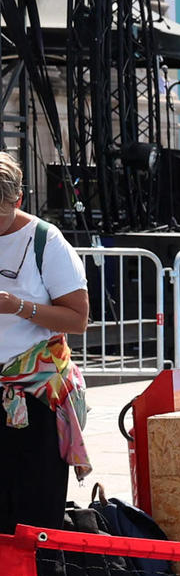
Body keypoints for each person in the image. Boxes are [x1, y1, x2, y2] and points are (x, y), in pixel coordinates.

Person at [0, 153, 88, 532]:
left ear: (17, 200)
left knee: (35, 518)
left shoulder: (44, 240)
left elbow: (78, 319)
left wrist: (17, 306)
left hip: (35, 397)